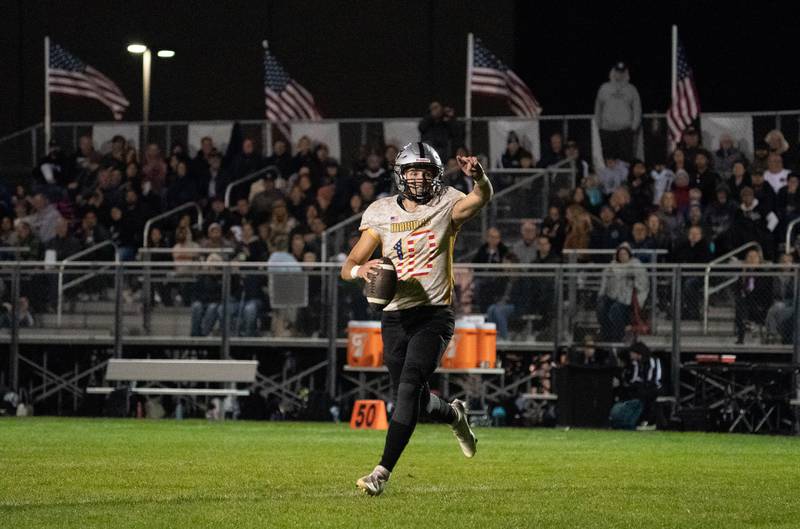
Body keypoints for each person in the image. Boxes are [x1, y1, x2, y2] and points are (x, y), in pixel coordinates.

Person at [341, 141, 491, 495]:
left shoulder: (448, 203)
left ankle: (380, 472)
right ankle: (455, 416)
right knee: (415, 399)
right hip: (394, 317)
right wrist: (362, 270)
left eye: (426, 172)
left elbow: (480, 199)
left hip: (434, 315)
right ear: (400, 175)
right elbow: (347, 266)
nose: (420, 179)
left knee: (408, 385)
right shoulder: (379, 212)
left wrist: (480, 179)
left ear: (436, 175)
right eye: (413, 171)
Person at [596, 243, 648, 342]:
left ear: (629, 254)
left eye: (624, 254)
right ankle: (606, 333)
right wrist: (601, 294)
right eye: (620, 254)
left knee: (615, 310)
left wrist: (638, 299)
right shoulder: (611, 267)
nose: (622, 256)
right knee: (601, 306)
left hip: (627, 299)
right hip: (611, 296)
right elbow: (604, 284)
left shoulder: (636, 266)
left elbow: (642, 285)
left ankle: (618, 336)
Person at [594, 61, 641, 162]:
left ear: (625, 73)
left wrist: (634, 127)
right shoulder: (604, 88)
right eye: (617, 71)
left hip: (625, 131)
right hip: (607, 131)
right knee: (609, 160)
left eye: (622, 72)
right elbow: (598, 107)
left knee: (626, 161)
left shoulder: (631, 89)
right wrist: (600, 125)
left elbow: (637, 109)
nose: (619, 74)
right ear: (613, 72)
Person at [733, 248, 773, 344]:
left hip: (760, 305)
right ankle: (743, 330)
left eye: (755, 257)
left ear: (759, 259)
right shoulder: (743, 275)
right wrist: (743, 276)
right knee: (741, 303)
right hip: (746, 305)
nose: (752, 259)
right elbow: (738, 291)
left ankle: (744, 330)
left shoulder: (765, 274)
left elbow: (764, 293)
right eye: (749, 257)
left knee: (744, 303)